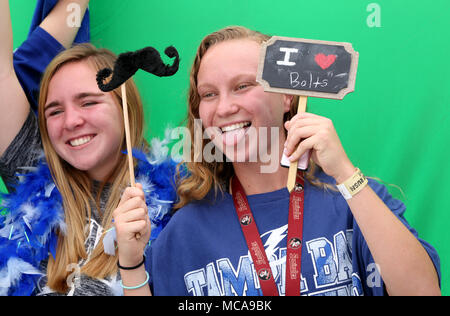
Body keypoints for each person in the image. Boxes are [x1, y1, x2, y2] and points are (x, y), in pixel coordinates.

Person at [115, 26, 441, 296]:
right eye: (209, 94)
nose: (224, 107)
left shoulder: (354, 200)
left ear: (287, 96)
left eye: (243, 86)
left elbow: (423, 290)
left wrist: (344, 172)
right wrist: (130, 264)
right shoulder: (185, 231)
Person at [0, 2, 177, 295]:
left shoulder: (179, 201)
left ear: (125, 108)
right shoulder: (31, 174)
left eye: (88, 102)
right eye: (54, 111)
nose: (71, 121)